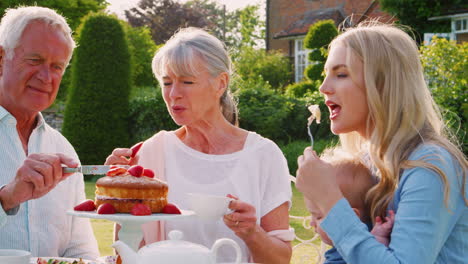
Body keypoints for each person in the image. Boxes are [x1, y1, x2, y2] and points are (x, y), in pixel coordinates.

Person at [105, 27, 293, 263]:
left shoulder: (263, 155)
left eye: (187, 81)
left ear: (220, 83)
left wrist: (252, 233)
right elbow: (127, 253)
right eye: (166, 82)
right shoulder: (153, 152)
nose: (174, 94)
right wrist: (120, 195)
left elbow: (281, 259)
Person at [296, 21, 468, 264]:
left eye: (341, 74)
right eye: (326, 75)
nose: (324, 88)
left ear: (383, 84)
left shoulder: (429, 166)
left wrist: (329, 199)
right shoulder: (368, 162)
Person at [0, 6, 99, 259]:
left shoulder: (63, 149)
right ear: (1, 59)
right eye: (35, 60)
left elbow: (80, 249)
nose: (46, 77)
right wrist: (7, 198)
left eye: (57, 67)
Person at [303, 147, 395, 263]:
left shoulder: (347, 254)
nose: (312, 223)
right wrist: (379, 237)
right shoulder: (369, 244)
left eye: (318, 216)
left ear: (350, 217)